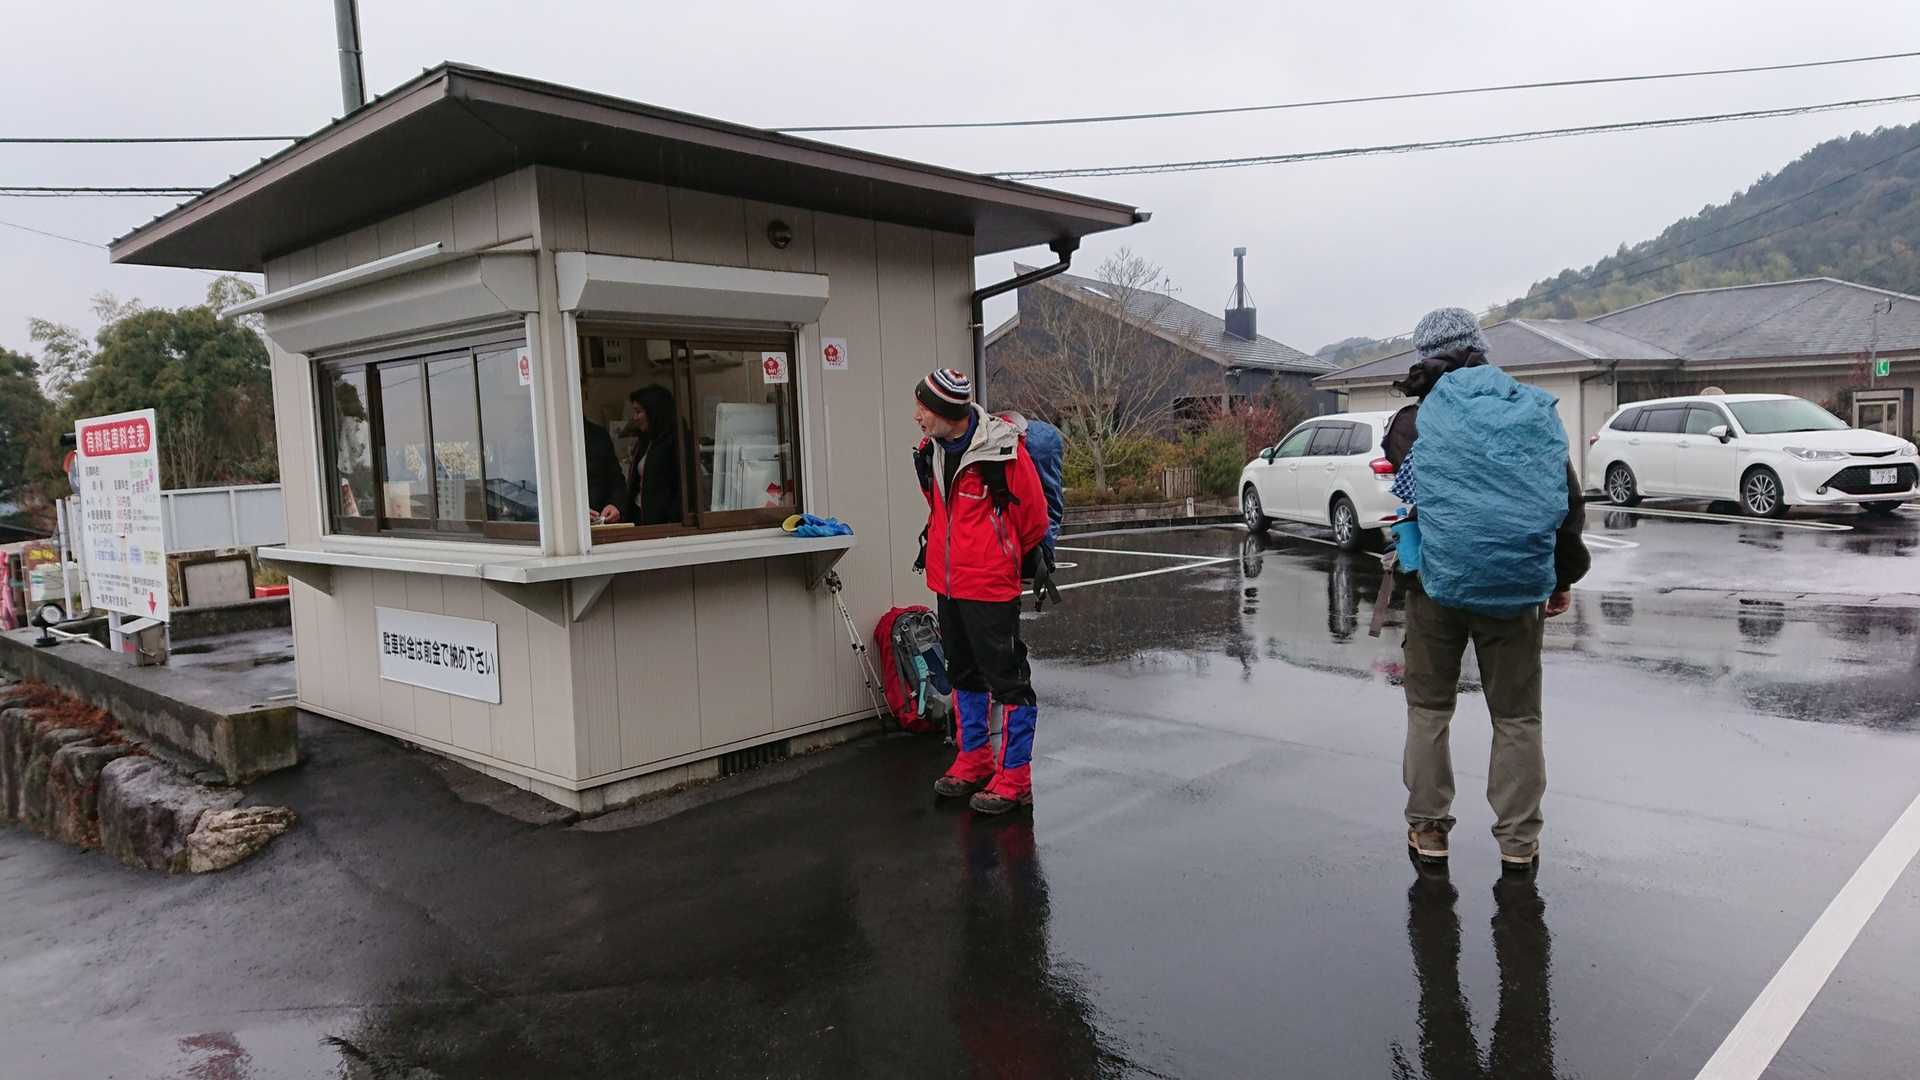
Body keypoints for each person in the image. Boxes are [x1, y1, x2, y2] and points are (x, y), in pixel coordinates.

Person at [1388, 307, 1589, 871]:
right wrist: (1561, 578)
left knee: (1429, 711)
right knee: (1517, 718)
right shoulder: (1527, 408)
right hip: (1516, 585)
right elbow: (1566, 499)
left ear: (1425, 355)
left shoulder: (1413, 421)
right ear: (1480, 348)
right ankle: (1518, 842)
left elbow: (1411, 489)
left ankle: (1429, 829)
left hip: (1434, 584)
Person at [912, 368, 1049, 814]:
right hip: (947, 582)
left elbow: (1034, 520)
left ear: (946, 411)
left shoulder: (1004, 451)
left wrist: (998, 555)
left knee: (1009, 680)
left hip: (990, 586)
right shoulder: (928, 451)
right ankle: (974, 759)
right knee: (963, 673)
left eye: (923, 408)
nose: (917, 416)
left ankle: (1016, 778)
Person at [624, 385, 683, 526]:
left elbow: (683, 488)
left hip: (662, 524)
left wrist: (671, 521)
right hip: (639, 515)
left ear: (654, 412)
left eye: (638, 412)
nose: (635, 418)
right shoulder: (645, 440)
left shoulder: (677, 440)